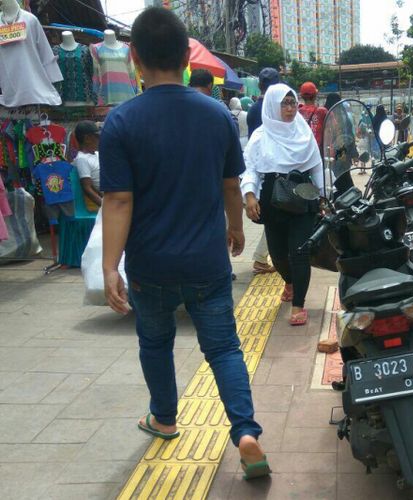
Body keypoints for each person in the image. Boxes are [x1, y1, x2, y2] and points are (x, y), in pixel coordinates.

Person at [99, 7, 269, 480]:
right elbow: (231, 185)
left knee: (155, 342)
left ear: (134, 58)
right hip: (207, 262)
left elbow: (117, 201)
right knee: (225, 350)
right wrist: (235, 228)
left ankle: (164, 417)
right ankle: (245, 432)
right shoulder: (217, 116)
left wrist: (111, 266)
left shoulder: (120, 122)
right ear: (186, 57)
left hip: (150, 265)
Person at [241, 84, 323, 325]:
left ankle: (299, 305)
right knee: (277, 255)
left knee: (300, 252)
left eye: (292, 103)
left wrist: (324, 198)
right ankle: (288, 281)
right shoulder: (259, 137)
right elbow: (251, 169)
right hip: (272, 200)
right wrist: (249, 195)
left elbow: (316, 165)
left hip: (303, 197)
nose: (290, 108)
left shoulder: (303, 131)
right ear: (272, 106)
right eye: (284, 103)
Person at [245, 67, 280, 275]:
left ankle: (263, 256)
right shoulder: (271, 108)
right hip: (270, 172)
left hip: (259, 171)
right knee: (276, 217)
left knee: (274, 217)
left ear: (259, 85)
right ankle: (261, 258)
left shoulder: (253, 108)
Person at [73, 120, 102, 209]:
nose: (99, 139)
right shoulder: (82, 159)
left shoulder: (97, 154)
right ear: (87, 139)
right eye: (97, 136)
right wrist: (105, 206)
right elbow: (87, 188)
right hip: (109, 198)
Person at [297, 81, 327, 152]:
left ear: (301, 96)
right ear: (315, 95)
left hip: (301, 150)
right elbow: (332, 130)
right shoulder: (322, 111)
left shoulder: (297, 112)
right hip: (317, 151)